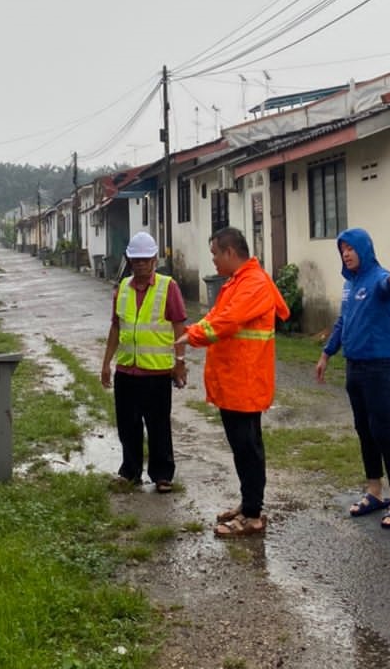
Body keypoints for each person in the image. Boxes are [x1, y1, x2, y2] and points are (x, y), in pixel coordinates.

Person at [180, 226, 289, 538]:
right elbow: (216, 315)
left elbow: (225, 322)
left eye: (215, 253)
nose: (212, 259)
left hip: (245, 381)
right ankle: (249, 503)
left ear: (229, 252)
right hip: (235, 381)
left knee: (247, 448)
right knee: (243, 447)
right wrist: (194, 328)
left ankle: (253, 515)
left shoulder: (252, 284)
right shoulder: (237, 283)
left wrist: (194, 337)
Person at [316, 227, 390, 528]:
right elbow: (343, 321)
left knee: (383, 430)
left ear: (364, 249)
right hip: (353, 366)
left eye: (351, 248)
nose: (346, 253)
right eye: (342, 249)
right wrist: (327, 353)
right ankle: (374, 490)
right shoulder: (349, 284)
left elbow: (388, 283)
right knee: (364, 429)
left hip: (378, 366)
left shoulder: (378, 277)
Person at [100, 231, 187, 491]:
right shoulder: (122, 289)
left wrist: (180, 361)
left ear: (154, 260)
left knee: (158, 425)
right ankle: (130, 471)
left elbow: (179, 325)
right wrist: (106, 363)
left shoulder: (167, 286)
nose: (140, 264)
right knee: (128, 425)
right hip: (127, 370)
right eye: (135, 260)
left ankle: (162, 475)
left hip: (157, 372)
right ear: (129, 260)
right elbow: (116, 327)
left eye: (145, 260)